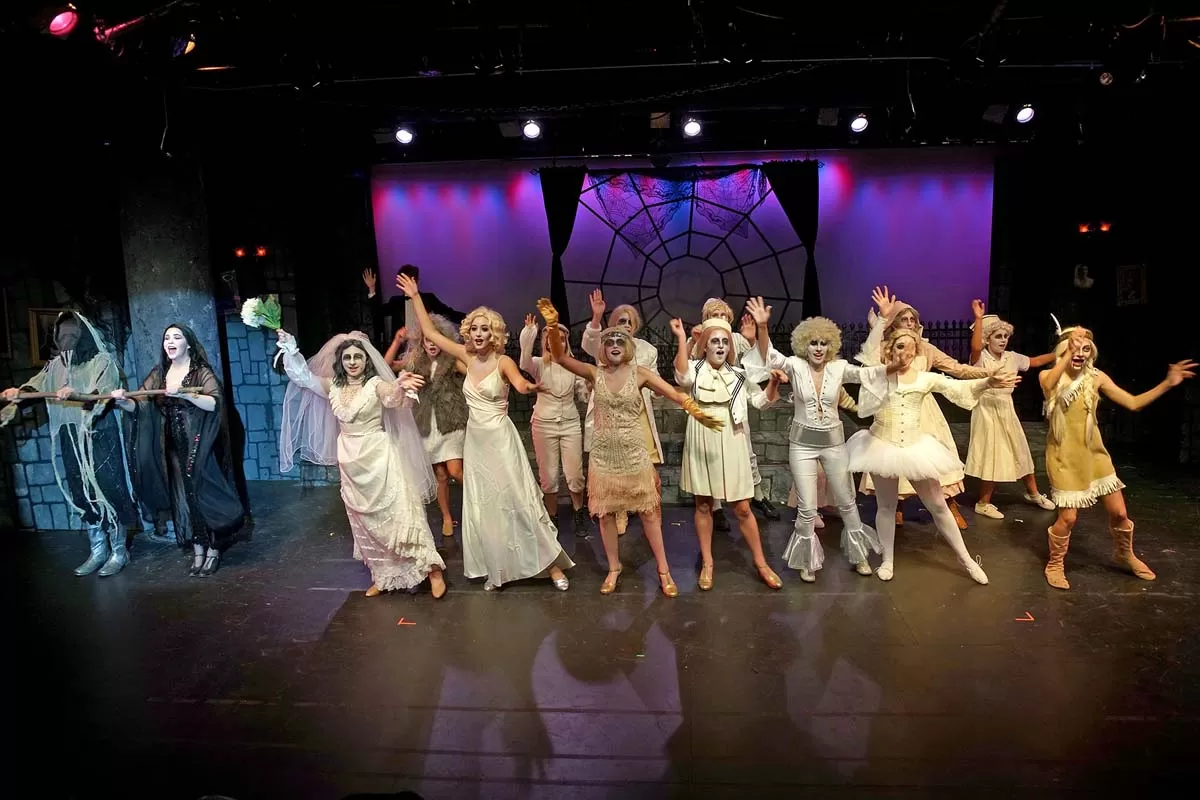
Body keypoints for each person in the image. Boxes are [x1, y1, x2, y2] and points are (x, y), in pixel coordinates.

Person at [398, 273, 574, 591]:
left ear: (494, 335)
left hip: (501, 441)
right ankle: (497, 568)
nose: (479, 334)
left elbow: (519, 383)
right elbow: (430, 333)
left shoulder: (503, 361)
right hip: (476, 443)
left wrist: (530, 387)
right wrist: (415, 296)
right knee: (486, 506)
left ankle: (551, 566)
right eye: (475, 328)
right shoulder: (465, 357)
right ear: (469, 332)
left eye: (485, 329)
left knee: (518, 500)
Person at [539, 298, 723, 597]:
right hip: (603, 456)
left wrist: (696, 410)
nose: (614, 344)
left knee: (649, 512)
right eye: (609, 340)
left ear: (628, 346)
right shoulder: (594, 373)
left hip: (634, 454)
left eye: (619, 341)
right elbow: (560, 358)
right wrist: (551, 326)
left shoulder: (641, 374)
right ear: (602, 347)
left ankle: (663, 570)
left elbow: (674, 393)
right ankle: (614, 568)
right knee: (606, 515)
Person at [277, 329, 447, 597]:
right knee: (366, 522)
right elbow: (303, 377)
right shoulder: (333, 386)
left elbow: (392, 396)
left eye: (358, 356)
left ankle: (432, 570)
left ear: (367, 360)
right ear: (341, 361)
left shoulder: (375, 384)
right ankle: (383, 574)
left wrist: (400, 384)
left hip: (378, 458)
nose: (353, 362)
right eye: (347, 357)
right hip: (350, 461)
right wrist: (290, 349)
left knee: (399, 514)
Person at [846, 327, 1017, 584]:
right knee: (886, 506)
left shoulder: (924, 379)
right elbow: (864, 404)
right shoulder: (877, 376)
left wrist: (987, 382)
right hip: (882, 446)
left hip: (915, 447)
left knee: (938, 505)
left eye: (910, 348)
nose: (905, 352)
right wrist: (880, 327)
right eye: (900, 347)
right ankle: (887, 560)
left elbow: (956, 387)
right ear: (890, 349)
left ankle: (966, 559)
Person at [748, 303, 896, 583]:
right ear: (804, 344)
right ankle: (807, 561)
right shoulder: (795, 365)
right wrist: (763, 326)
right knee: (807, 508)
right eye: (813, 343)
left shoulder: (839, 367)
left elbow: (866, 373)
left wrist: (893, 360)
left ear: (831, 345)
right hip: (802, 445)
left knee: (847, 502)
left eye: (823, 343)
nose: (818, 348)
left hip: (833, 444)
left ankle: (860, 555)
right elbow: (770, 356)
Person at [1039, 324, 1195, 590]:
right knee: (1068, 518)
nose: (1080, 353)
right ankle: (1055, 563)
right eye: (1075, 348)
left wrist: (1167, 384)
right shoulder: (1049, 376)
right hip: (1064, 457)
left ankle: (1124, 553)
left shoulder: (1096, 377)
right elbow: (1048, 384)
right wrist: (1067, 354)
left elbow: (1133, 403)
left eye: (1085, 349)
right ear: (1063, 350)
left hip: (1095, 454)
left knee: (1120, 513)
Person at [2, 311, 138, 576]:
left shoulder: (101, 361)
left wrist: (77, 395)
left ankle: (119, 550)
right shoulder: (56, 365)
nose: (65, 340)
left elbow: (102, 395)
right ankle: (98, 549)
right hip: (71, 437)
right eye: (61, 335)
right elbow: (36, 386)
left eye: (71, 335)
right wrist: (19, 393)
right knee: (80, 489)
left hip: (99, 433)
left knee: (109, 488)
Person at [111, 324, 244, 576]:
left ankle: (214, 548)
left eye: (177, 337)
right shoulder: (160, 373)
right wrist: (122, 401)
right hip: (172, 447)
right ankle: (198, 546)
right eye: (166, 338)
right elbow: (139, 405)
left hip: (199, 443)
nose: (170, 341)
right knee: (184, 496)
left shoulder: (200, 372)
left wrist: (185, 393)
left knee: (203, 492)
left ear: (188, 344)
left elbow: (214, 402)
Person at [856, 286, 992, 529]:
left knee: (935, 464)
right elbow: (868, 361)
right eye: (904, 319)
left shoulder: (926, 348)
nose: (910, 323)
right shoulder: (887, 347)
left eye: (913, 319)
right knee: (893, 460)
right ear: (895, 323)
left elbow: (956, 368)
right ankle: (896, 508)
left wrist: (988, 374)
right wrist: (879, 323)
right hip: (895, 408)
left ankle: (949, 507)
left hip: (924, 410)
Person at [673, 315, 784, 591]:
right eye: (714, 341)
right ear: (705, 345)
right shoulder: (695, 369)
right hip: (702, 436)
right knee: (703, 504)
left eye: (725, 341)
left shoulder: (739, 375)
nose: (720, 346)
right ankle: (708, 563)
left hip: (732, 438)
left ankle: (761, 563)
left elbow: (761, 402)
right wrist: (681, 338)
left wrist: (773, 383)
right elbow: (681, 376)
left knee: (743, 507)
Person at [580, 290, 664, 536]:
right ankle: (620, 512)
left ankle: (651, 511)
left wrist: (659, 390)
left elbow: (655, 380)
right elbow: (588, 342)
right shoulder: (605, 343)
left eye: (629, 321)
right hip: (610, 416)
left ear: (635, 325)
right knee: (616, 470)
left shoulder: (647, 350)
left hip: (639, 415)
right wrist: (596, 318)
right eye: (620, 321)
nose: (625, 325)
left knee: (650, 470)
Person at [965, 301, 1056, 518]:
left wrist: (1060, 353)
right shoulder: (980, 358)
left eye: (1005, 336)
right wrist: (978, 318)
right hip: (987, 409)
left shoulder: (1012, 357)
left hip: (1006, 408)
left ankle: (1033, 493)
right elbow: (975, 347)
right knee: (992, 453)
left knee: (1020, 449)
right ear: (987, 339)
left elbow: (1035, 361)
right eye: (998, 336)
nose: (1003, 340)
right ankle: (983, 502)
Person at [520, 314, 591, 536]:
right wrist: (530, 332)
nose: (557, 342)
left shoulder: (572, 366)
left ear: (566, 342)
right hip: (544, 424)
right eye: (552, 338)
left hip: (570, 423)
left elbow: (583, 394)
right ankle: (553, 517)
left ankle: (579, 513)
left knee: (575, 475)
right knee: (549, 476)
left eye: (561, 338)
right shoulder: (538, 364)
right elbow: (524, 361)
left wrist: (589, 388)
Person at [399, 314, 468, 536]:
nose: (431, 344)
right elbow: (389, 364)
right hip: (427, 423)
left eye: (435, 340)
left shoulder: (451, 360)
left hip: (451, 420)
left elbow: (473, 370)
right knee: (440, 475)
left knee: (456, 471)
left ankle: (482, 505)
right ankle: (447, 517)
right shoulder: (416, 361)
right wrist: (397, 342)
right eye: (427, 340)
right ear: (422, 341)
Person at [364, 265, 465, 349]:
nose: (405, 284)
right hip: (402, 347)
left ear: (416, 281)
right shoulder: (396, 301)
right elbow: (377, 312)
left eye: (408, 280)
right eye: (402, 281)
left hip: (424, 346)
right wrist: (372, 289)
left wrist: (470, 319)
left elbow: (448, 313)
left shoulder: (429, 299)